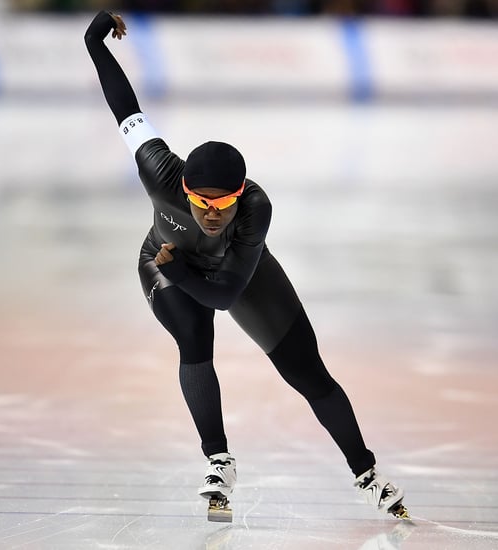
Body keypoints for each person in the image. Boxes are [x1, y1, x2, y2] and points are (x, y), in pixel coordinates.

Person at [84, 10, 408, 519]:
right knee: (194, 339)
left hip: (226, 273)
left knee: (306, 371)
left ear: (242, 195)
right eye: (200, 202)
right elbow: (125, 106)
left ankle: (366, 470)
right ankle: (218, 460)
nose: (211, 214)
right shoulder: (157, 170)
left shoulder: (256, 209)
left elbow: (224, 295)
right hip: (162, 263)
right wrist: (95, 41)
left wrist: (186, 269)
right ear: (183, 189)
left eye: (223, 204)